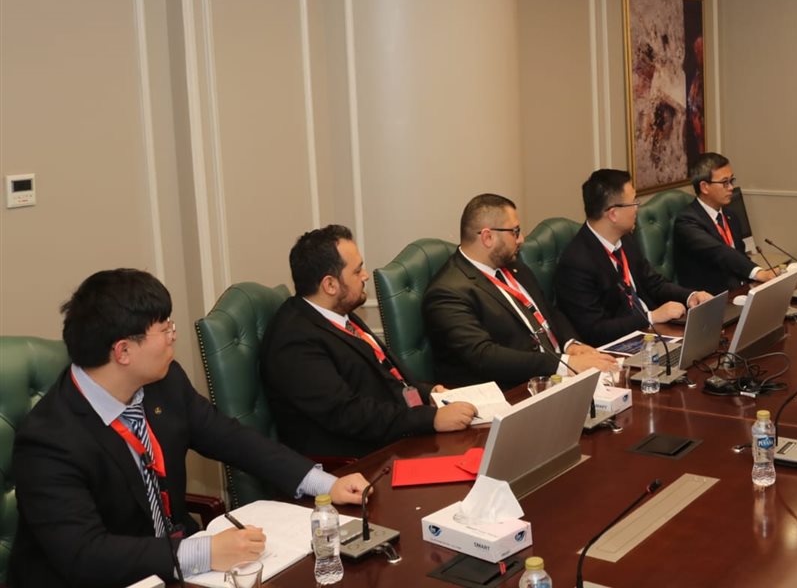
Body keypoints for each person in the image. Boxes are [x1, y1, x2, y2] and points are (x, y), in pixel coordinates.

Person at [9, 269, 370, 588]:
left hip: (176, 567)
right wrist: (204, 552)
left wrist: (325, 484)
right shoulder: (49, 441)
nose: (173, 337)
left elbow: (231, 438)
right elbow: (85, 555)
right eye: (164, 329)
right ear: (123, 352)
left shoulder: (162, 383)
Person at [260, 225, 476, 459]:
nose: (365, 276)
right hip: (356, 462)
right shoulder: (294, 341)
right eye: (357, 271)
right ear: (330, 285)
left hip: (392, 437)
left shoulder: (337, 311)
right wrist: (430, 419)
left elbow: (384, 376)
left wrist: (428, 392)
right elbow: (348, 414)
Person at [425, 193, 617, 388]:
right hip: (513, 390)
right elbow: (485, 356)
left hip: (558, 377)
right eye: (515, 232)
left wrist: (571, 345)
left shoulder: (513, 266)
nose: (521, 239)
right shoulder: (448, 292)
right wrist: (565, 364)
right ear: (487, 237)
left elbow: (548, 311)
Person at [555, 169, 712, 346]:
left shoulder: (625, 239)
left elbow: (654, 283)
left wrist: (690, 296)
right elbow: (595, 331)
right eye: (634, 202)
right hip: (620, 347)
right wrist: (651, 317)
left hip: (653, 335)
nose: (638, 208)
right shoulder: (576, 263)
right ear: (613, 214)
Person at [673, 152, 778, 295]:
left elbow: (739, 256)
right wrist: (758, 273)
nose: (731, 188)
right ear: (704, 187)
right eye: (724, 183)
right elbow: (720, 252)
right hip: (711, 298)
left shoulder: (730, 215)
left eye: (731, 180)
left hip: (739, 292)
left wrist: (758, 280)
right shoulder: (687, 221)